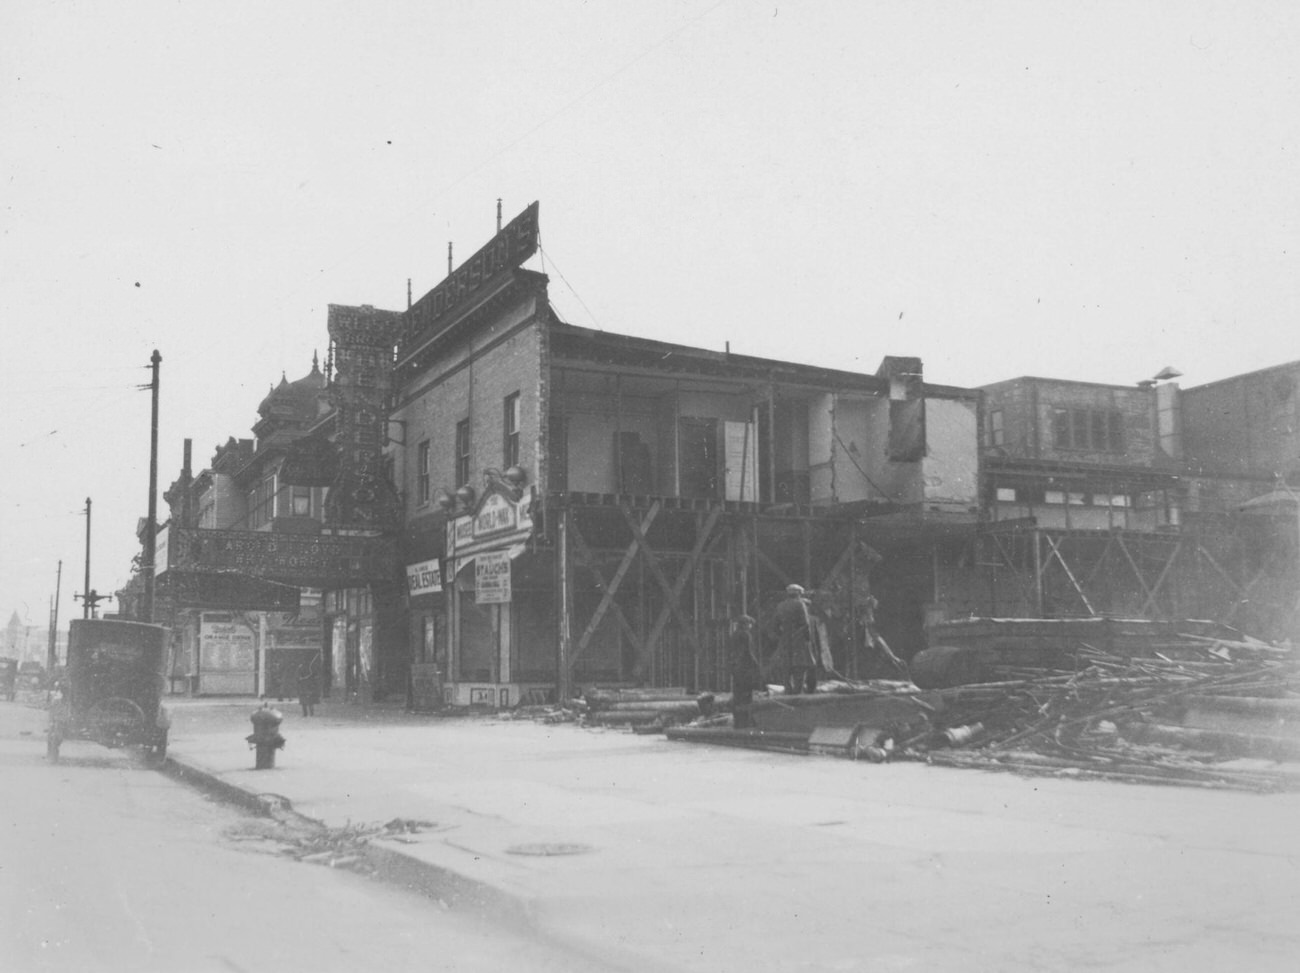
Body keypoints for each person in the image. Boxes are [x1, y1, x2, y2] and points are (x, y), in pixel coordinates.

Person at [773, 583, 819, 695]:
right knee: (800, 666)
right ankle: (797, 693)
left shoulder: (780, 606)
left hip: (785, 640)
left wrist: (782, 635)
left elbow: (774, 625)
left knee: (786, 666)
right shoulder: (800, 604)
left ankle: (788, 691)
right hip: (799, 640)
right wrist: (807, 639)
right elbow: (805, 624)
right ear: (798, 593)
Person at [728, 614, 762, 728]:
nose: (751, 626)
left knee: (737, 695)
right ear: (746, 624)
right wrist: (757, 665)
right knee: (747, 695)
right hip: (745, 669)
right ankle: (747, 721)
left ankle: (738, 721)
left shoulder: (733, 635)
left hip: (735, 669)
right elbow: (749, 652)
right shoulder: (746, 635)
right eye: (750, 624)